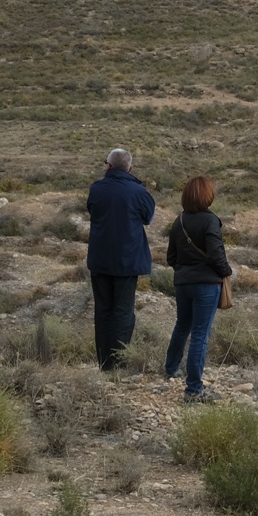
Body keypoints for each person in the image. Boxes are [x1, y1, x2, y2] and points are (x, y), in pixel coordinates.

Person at [163, 175, 233, 403]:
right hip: (206, 284)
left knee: (182, 326)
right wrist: (226, 271)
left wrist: (185, 270)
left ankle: (171, 369)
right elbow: (216, 254)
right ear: (207, 196)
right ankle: (193, 389)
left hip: (183, 283)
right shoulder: (210, 221)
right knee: (200, 334)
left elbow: (171, 257)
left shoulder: (179, 221)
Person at [87, 148, 155, 371]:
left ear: (108, 165)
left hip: (100, 260)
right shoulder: (139, 192)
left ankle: (105, 365)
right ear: (130, 168)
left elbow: (92, 210)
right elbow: (149, 218)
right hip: (127, 262)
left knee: (103, 311)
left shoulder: (96, 189)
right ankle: (120, 363)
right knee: (123, 312)